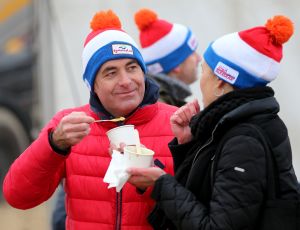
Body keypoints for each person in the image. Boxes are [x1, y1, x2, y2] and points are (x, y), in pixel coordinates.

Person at [3, 10, 177, 230]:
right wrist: (54, 144)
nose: (126, 81)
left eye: (132, 68)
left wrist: (158, 182)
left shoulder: (175, 122)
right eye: (110, 72)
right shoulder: (69, 127)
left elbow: (203, 208)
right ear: (92, 85)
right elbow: (17, 196)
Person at [127, 15, 300, 229]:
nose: (201, 77)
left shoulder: (244, 141)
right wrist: (188, 145)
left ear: (220, 81)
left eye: (205, 71)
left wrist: (161, 185)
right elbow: (208, 193)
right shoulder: (239, 124)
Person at [134, 8, 201, 107]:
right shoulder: (159, 107)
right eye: (192, 53)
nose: (199, 58)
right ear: (176, 64)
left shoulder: (159, 99)